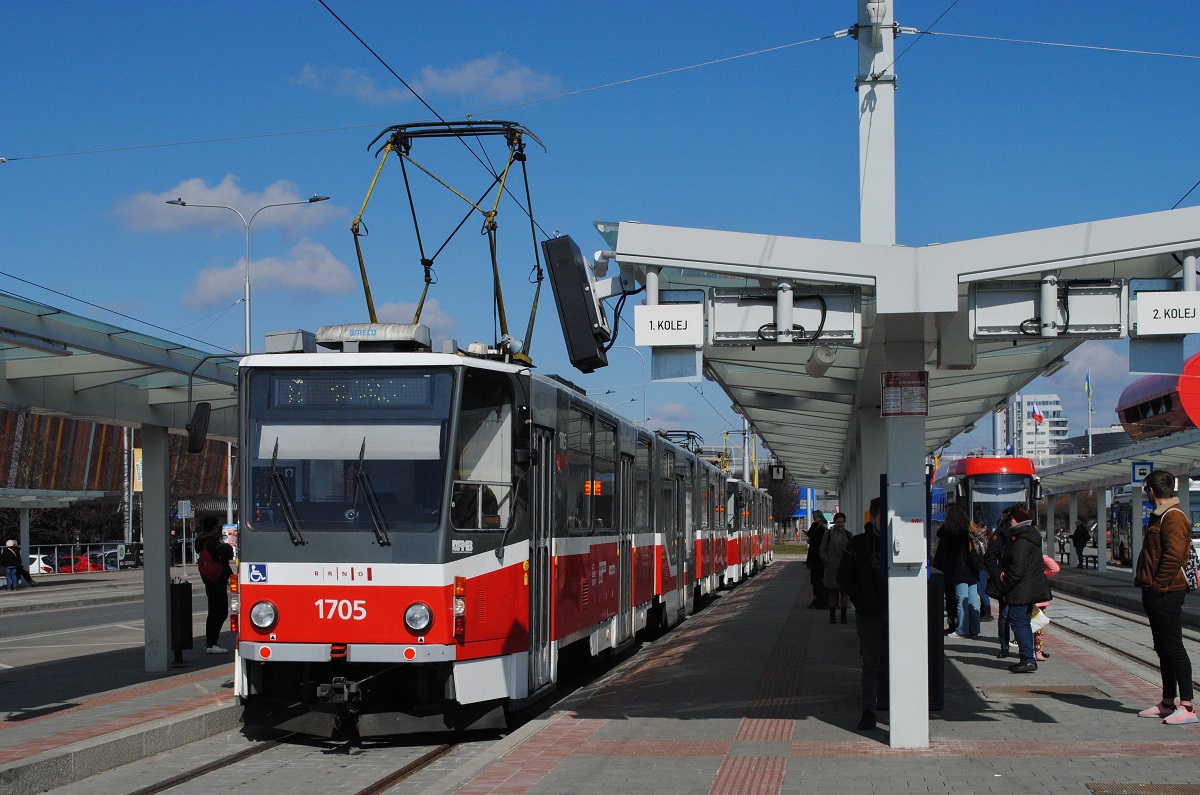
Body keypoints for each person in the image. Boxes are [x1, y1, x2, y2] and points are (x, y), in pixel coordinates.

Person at [1134, 469, 1196, 725]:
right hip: (1156, 591)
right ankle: (1168, 701)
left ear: (1151, 490)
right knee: (1162, 648)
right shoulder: (1159, 517)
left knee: (1174, 646)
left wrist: (1158, 587)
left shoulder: (1173, 517)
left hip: (1168, 592)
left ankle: (1188, 707)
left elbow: (1173, 556)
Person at [838, 497, 888, 731]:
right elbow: (843, 577)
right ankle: (868, 710)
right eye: (881, 518)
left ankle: (893, 703)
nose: (885, 523)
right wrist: (860, 599)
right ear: (874, 518)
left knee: (897, 660)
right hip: (869, 614)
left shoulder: (895, 543)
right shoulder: (858, 544)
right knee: (871, 663)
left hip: (896, 613)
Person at [997, 505, 1051, 673]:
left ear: (1015, 520)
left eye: (1010, 520)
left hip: (1020, 589)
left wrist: (1005, 585)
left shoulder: (1021, 541)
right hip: (1030, 587)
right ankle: (1028, 657)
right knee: (1024, 622)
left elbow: (1017, 568)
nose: (1008, 524)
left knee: (1018, 622)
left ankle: (1027, 659)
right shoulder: (1032, 536)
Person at [194, 516, 235, 654]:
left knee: (214, 610)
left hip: (210, 579)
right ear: (213, 528)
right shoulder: (211, 542)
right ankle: (211, 643)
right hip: (217, 579)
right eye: (216, 527)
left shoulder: (201, 541)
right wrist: (227, 546)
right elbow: (228, 552)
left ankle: (211, 642)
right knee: (220, 611)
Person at [940, 504, 981, 638]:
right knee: (973, 600)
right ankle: (975, 628)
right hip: (973, 570)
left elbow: (939, 533)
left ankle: (962, 629)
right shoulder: (971, 530)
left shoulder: (953, 532)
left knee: (961, 599)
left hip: (960, 570)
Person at [984, 509, 1014, 658]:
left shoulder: (1026, 532)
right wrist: (997, 576)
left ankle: (1029, 648)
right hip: (1006, 580)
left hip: (1020, 579)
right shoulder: (1001, 533)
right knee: (1006, 613)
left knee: (1013, 614)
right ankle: (1005, 646)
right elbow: (990, 557)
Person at [820, 512, 851, 624]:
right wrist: (827, 561)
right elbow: (822, 549)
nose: (840, 524)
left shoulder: (848, 535)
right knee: (832, 592)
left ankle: (843, 616)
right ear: (835, 522)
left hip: (844, 568)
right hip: (831, 568)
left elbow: (852, 552)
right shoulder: (828, 535)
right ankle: (832, 616)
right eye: (838, 522)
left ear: (844, 523)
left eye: (842, 522)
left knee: (844, 593)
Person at [1033, 552, 1061, 661]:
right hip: (1028, 600)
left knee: (1039, 627)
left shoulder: (1043, 572)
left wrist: (1043, 556)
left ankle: (1038, 651)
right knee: (1028, 627)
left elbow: (1055, 568)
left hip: (1040, 601)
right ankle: (1030, 651)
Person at [805, 512, 828, 609]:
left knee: (816, 580)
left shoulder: (816, 525)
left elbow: (810, 535)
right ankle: (823, 600)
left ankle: (818, 600)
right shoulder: (825, 526)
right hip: (822, 557)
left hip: (815, 557)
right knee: (821, 579)